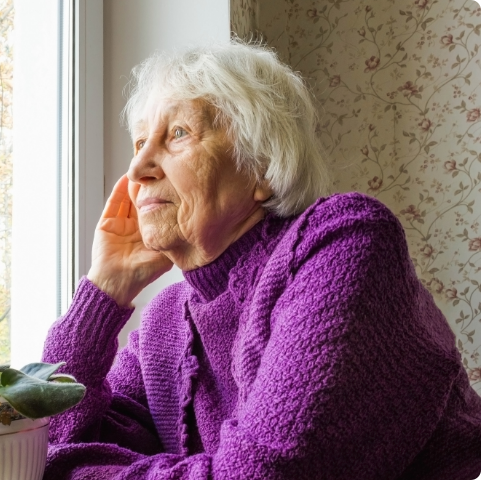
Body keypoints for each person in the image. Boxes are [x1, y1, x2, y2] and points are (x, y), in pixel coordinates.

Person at [40, 39, 481, 479]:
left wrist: (73, 471)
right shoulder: (166, 323)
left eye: (178, 134)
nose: (137, 169)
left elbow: (263, 473)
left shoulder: (344, 243)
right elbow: (49, 441)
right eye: (139, 142)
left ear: (262, 166)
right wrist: (104, 290)